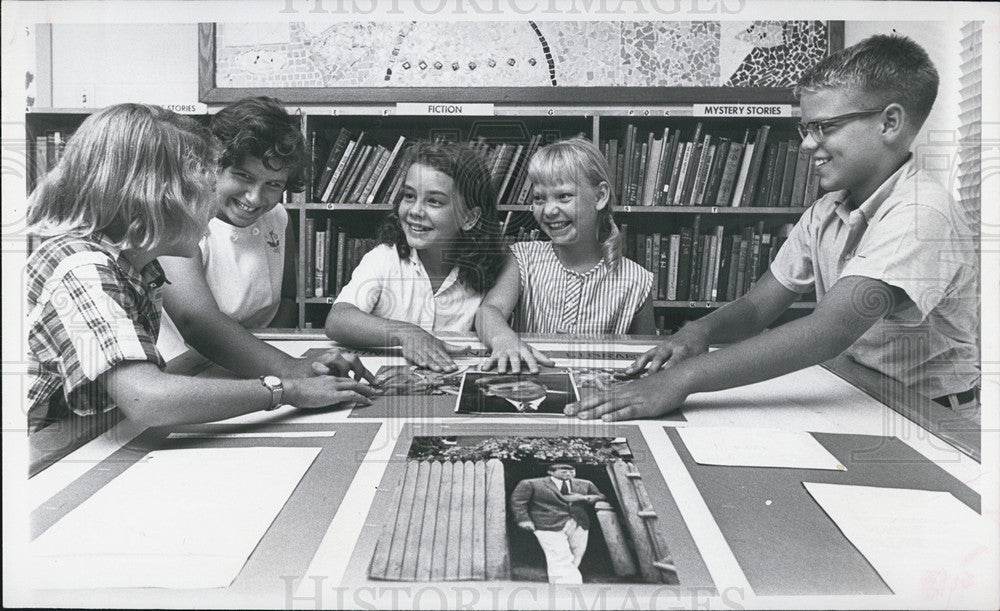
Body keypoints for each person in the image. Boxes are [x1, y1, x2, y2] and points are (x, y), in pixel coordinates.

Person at [566, 34, 979, 422]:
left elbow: (827, 331)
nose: (805, 145)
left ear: (889, 123)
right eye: (805, 128)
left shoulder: (922, 211)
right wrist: (698, 331)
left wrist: (679, 380)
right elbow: (758, 307)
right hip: (861, 390)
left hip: (927, 411)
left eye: (824, 127)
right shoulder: (826, 210)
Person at [25, 104, 376, 433]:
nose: (212, 205)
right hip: (44, 448)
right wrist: (284, 389)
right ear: (151, 198)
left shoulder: (131, 266)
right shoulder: (82, 266)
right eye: (201, 188)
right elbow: (147, 399)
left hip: (86, 435)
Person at [156, 96, 371, 382]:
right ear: (213, 166)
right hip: (186, 368)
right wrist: (289, 369)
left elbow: (286, 300)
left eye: (273, 184)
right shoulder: (181, 219)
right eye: (243, 176)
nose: (255, 198)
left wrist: (274, 365)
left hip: (260, 362)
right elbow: (195, 321)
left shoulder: (278, 216)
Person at [476, 137, 655, 374]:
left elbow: (646, 357)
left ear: (600, 196)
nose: (549, 210)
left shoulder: (637, 281)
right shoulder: (522, 258)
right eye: (539, 198)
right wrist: (503, 339)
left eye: (564, 197)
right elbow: (488, 311)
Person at [325, 141, 505, 372]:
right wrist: (406, 333)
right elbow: (338, 320)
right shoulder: (383, 259)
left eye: (434, 201)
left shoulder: (489, 269)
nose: (415, 211)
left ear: (469, 218)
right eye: (409, 196)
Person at [510, 464, 606, 584]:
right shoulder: (531, 483)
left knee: (576, 556)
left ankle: (563, 583)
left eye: (572, 471)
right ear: (551, 472)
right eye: (564, 471)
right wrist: (523, 519)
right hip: (547, 524)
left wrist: (584, 498)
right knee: (559, 555)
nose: (569, 474)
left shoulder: (585, 483)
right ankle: (567, 586)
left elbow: (600, 496)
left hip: (579, 523)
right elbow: (518, 502)